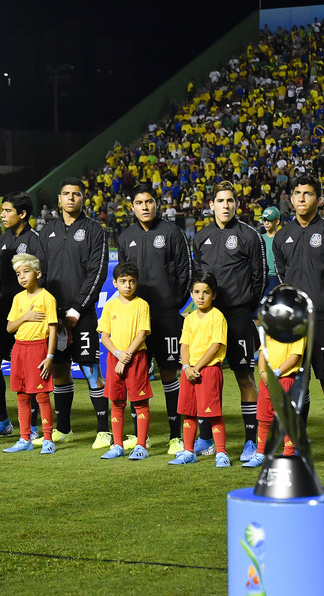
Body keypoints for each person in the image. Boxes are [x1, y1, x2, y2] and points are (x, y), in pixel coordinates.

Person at [272, 175, 324, 468]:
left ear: (319, 199)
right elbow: (282, 275)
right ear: (291, 199)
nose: (302, 198)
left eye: (308, 194)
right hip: (295, 321)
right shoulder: (282, 237)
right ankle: (297, 446)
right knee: (296, 384)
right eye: (297, 193)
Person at [192, 180, 267, 462]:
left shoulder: (249, 235)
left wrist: (246, 306)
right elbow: (197, 277)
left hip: (237, 316)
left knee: (244, 376)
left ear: (237, 204)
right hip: (209, 317)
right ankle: (206, 439)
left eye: (230, 201)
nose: (226, 205)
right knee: (203, 377)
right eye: (220, 201)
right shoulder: (200, 237)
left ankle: (251, 441)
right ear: (211, 205)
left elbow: (259, 278)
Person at [116, 183, 191, 454]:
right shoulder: (125, 238)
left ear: (156, 204)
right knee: (136, 376)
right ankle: (141, 438)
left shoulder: (172, 233)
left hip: (167, 316)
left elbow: (185, 272)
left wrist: (172, 304)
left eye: (149, 202)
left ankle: (175, 435)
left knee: (170, 372)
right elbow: (124, 275)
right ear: (132, 206)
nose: (145, 207)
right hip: (136, 319)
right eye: (139, 203)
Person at [39, 177, 110, 448]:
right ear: (59, 199)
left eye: (76, 194)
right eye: (66, 193)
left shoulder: (95, 230)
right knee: (59, 370)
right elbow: (41, 272)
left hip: (83, 314)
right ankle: (64, 429)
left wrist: (78, 309)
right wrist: (50, 310)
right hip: (54, 315)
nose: (71, 198)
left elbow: (98, 272)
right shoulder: (47, 231)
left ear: (83, 198)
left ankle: (103, 431)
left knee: (91, 369)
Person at [0, 192, 46, 441]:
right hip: (5, 310)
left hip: (30, 311)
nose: (3, 214)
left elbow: (44, 276)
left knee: (30, 369)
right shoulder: (1, 241)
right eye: (3, 210)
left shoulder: (35, 240)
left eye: (8, 210)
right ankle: (2, 421)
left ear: (22, 214)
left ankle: (30, 426)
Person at [169, 271, 230, 467]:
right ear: (191, 293)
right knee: (188, 412)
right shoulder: (189, 319)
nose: (201, 296)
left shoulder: (217, 316)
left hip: (208, 371)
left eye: (206, 292)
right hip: (190, 372)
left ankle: (221, 452)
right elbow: (184, 345)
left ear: (214, 295)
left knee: (213, 414)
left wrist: (196, 366)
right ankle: (188, 452)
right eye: (196, 292)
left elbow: (216, 345)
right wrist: (186, 367)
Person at [97, 262, 153, 460]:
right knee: (117, 402)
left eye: (131, 281)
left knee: (140, 402)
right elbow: (104, 336)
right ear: (114, 283)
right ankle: (118, 445)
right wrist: (118, 354)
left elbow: (142, 334)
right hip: (115, 358)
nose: (127, 285)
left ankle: (141, 445)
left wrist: (125, 356)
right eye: (123, 281)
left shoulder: (142, 305)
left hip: (135, 358)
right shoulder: (110, 306)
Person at [4, 253, 58, 454]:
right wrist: (26, 316)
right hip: (19, 349)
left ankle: (48, 439)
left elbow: (52, 329)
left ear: (38, 273)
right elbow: (10, 327)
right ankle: (24, 438)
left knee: (42, 396)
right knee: (22, 396)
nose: (22, 277)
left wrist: (50, 356)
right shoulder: (18, 298)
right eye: (18, 274)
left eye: (26, 272)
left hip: (38, 349)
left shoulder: (47, 298)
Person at [243, 315, 305, 468]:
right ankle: (260, 454)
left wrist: (276, 373)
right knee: (264, 418)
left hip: (286, 380)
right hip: (267, 382)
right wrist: (263, 372)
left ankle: (289, 453)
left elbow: (295, 356)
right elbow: (263, 353)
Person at [261, 206, 282, 294]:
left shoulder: (282, 238)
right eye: (264, 220)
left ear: (277, 221)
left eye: (269, 220)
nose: (266, 223)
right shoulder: (260, 238)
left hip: (277, 277)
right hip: (263, 277)